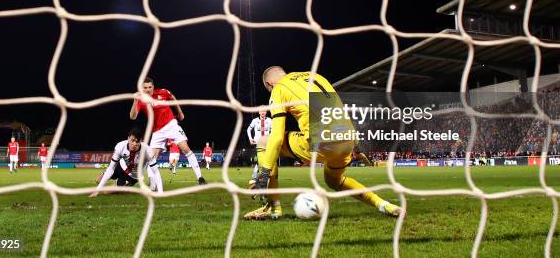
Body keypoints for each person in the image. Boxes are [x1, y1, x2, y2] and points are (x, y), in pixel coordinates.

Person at [245, 66, 402, 220]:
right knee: (334, 181)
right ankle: (383, 204)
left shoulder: (279, 88)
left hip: (320, 143)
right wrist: (357, 145)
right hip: (346, 139)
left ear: (269, 84)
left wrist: (264, 173)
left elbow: (277, 137)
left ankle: (273, 208)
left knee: (264, 141)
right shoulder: (314, 76)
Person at [130, 77, 206, 187]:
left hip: (171, 125)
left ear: (153, 87)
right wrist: (135, 100)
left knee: (185, 148)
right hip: (157, 131)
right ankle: (153, 185)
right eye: (145, 88)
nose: (148, 90)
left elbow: (172, 97)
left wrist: (180, 112)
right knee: (151, 158)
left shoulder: (163, 92)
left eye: (150, 87)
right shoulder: (141, 101)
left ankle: (200, 178)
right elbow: (132, 117)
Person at [91, 129, 160, 196]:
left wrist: (160, 191)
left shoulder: (147, 150)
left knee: (107, 192)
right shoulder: (120, 146)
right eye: (132, 140)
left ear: (141, 141)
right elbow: (111, 168)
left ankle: (124, 188)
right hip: (120, 166)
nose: (134, 144)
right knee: (98, 180)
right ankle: (121, 187)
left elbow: (155, 171)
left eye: (137, 141)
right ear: (128, 138)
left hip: (132, 176)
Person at [247, 110, 272, 183]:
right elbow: (249, 129)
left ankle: (264, 176)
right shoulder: (255, 120)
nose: (263, 112)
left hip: (267, 144)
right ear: (259, 112)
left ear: (266, 112)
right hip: (257, 143)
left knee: (267, 160)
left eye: (264, 111)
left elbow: (273, 130)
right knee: (257, 160)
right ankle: (255, 176)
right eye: (261, 111)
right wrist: (250, 139)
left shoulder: (270, 120)